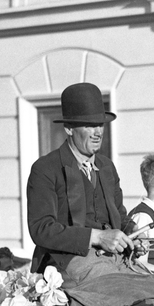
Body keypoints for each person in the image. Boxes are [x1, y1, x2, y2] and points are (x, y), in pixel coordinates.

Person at [26, 82, 133, 283]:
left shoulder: (107, 166)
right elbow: (41, 229)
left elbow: (119, 215)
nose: (98, 132)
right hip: (65, 263)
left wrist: (133, 232)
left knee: (153, 291)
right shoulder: (45, 168)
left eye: (100, 125)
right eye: (89, 126)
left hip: (112, 261)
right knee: (122, 290)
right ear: (68, 129)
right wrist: (98, 237)